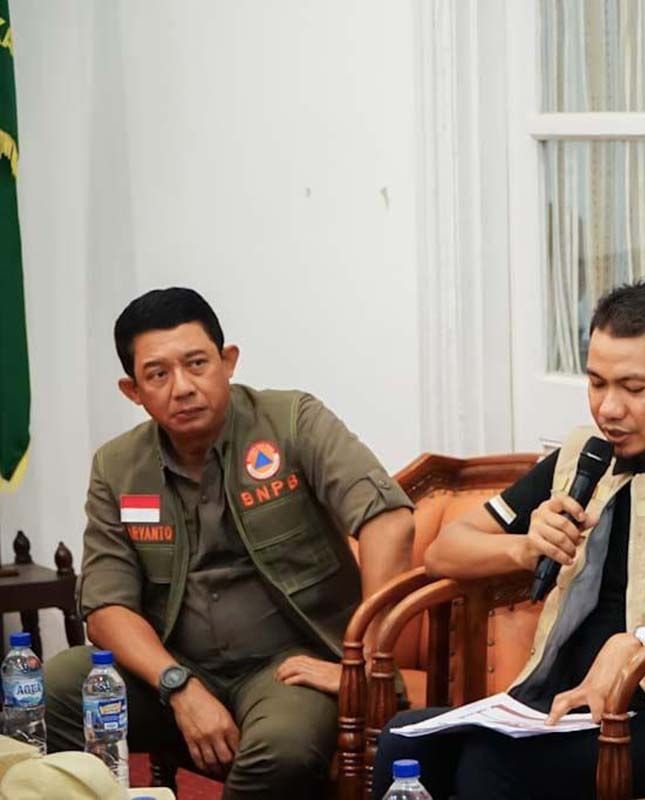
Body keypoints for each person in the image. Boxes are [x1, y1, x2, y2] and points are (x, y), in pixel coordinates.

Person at [372, 280, 645, 800]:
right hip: (550, 703)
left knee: (492, 765)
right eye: (596, 383)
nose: (608, 409)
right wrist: (524, 547)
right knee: (403, 741)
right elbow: (445, 551)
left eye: (633, 388)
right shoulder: (585, 456)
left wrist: (641, 652)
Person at [44, 287, 416, 799]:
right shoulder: (117, 466)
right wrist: (177, 685)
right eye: (158, 375)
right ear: (133, 391)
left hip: (290, 669)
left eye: (197, 364)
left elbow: (389, 521)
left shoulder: (292, 421)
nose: (182, 387)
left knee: (281, 748)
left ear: (228, 361)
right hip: (175, 667)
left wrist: (363, 664)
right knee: (57, 687)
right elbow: (107, 608)